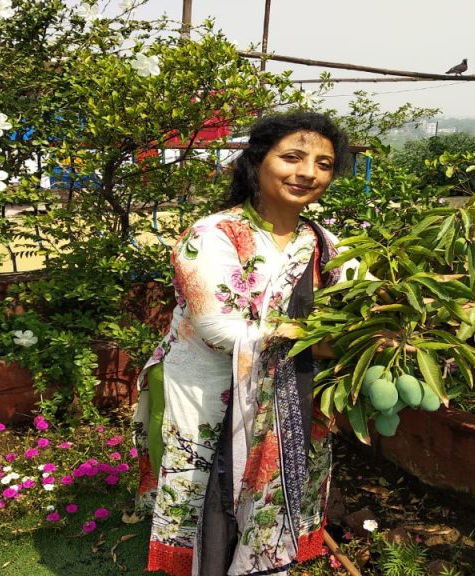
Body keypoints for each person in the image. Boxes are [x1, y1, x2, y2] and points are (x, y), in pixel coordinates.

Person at [132, 111, 352, 576]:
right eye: (292, 157)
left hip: (291, 398)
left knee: (275, 499)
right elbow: (219, 329)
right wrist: (320, 343)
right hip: (210, 397)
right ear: (257, 160)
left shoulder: (324, 243)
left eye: (323, 164)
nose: (308, 172)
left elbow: (360, 303)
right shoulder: (213, 235)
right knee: (206, 506)